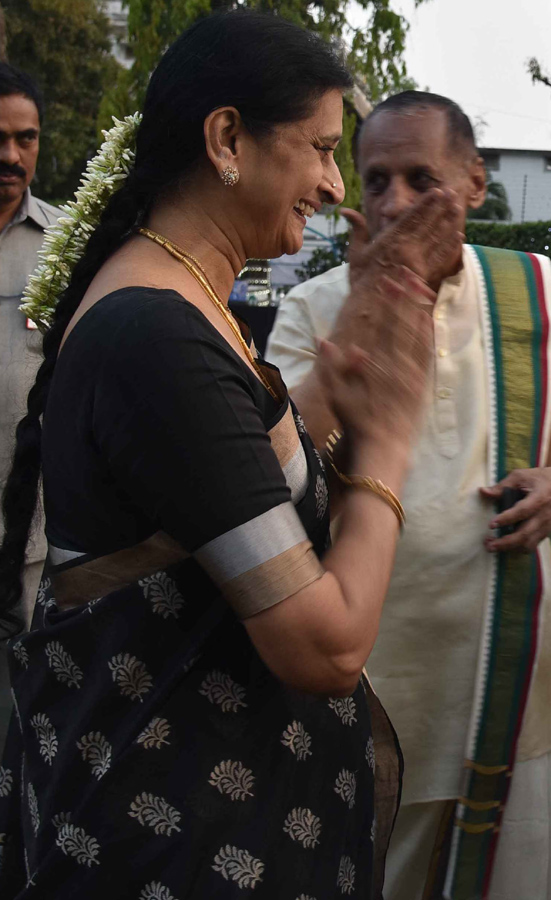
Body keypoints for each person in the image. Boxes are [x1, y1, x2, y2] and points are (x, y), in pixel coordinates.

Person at [0, 13, 441, 896]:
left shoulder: (183, 299)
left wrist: (347, 372)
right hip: (179, 841)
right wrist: (388, 444)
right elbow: (324, 649)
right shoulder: (156, 330)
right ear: (227, 137)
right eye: (320, 147)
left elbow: (225, 478)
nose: (331, 180)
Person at [266, 90, 551, 900]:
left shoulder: (528, 285)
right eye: (376, 179)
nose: (396, 202)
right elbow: (278, 475)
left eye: (423, 178)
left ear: (476, 183)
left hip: (502, 655)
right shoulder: (311, 308)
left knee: (512, 879)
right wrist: (366, 312)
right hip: (377, 668)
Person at [0, 63, 60, 758]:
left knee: (26, 737)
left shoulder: (63, 248)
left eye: (26, 138)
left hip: (32, 550)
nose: (10, 156)